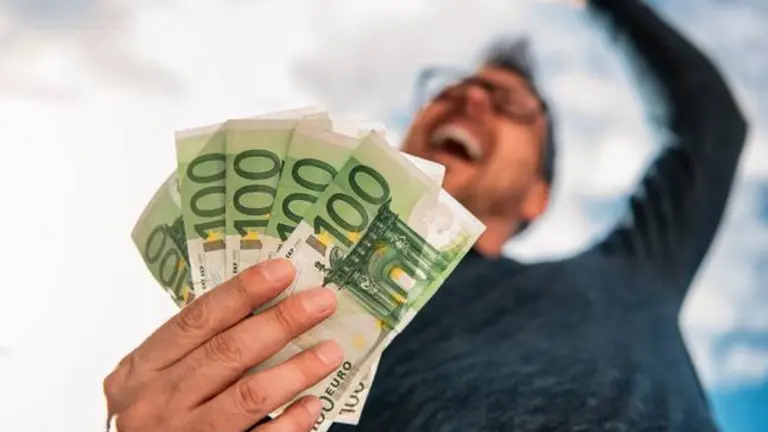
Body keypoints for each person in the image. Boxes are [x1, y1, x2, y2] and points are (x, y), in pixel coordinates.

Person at [103, 0, 748, 430]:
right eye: (450, 90)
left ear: (537, 197)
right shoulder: (284, 302)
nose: (468, 96)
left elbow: (711, 126)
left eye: (508, 102)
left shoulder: (632, 272)